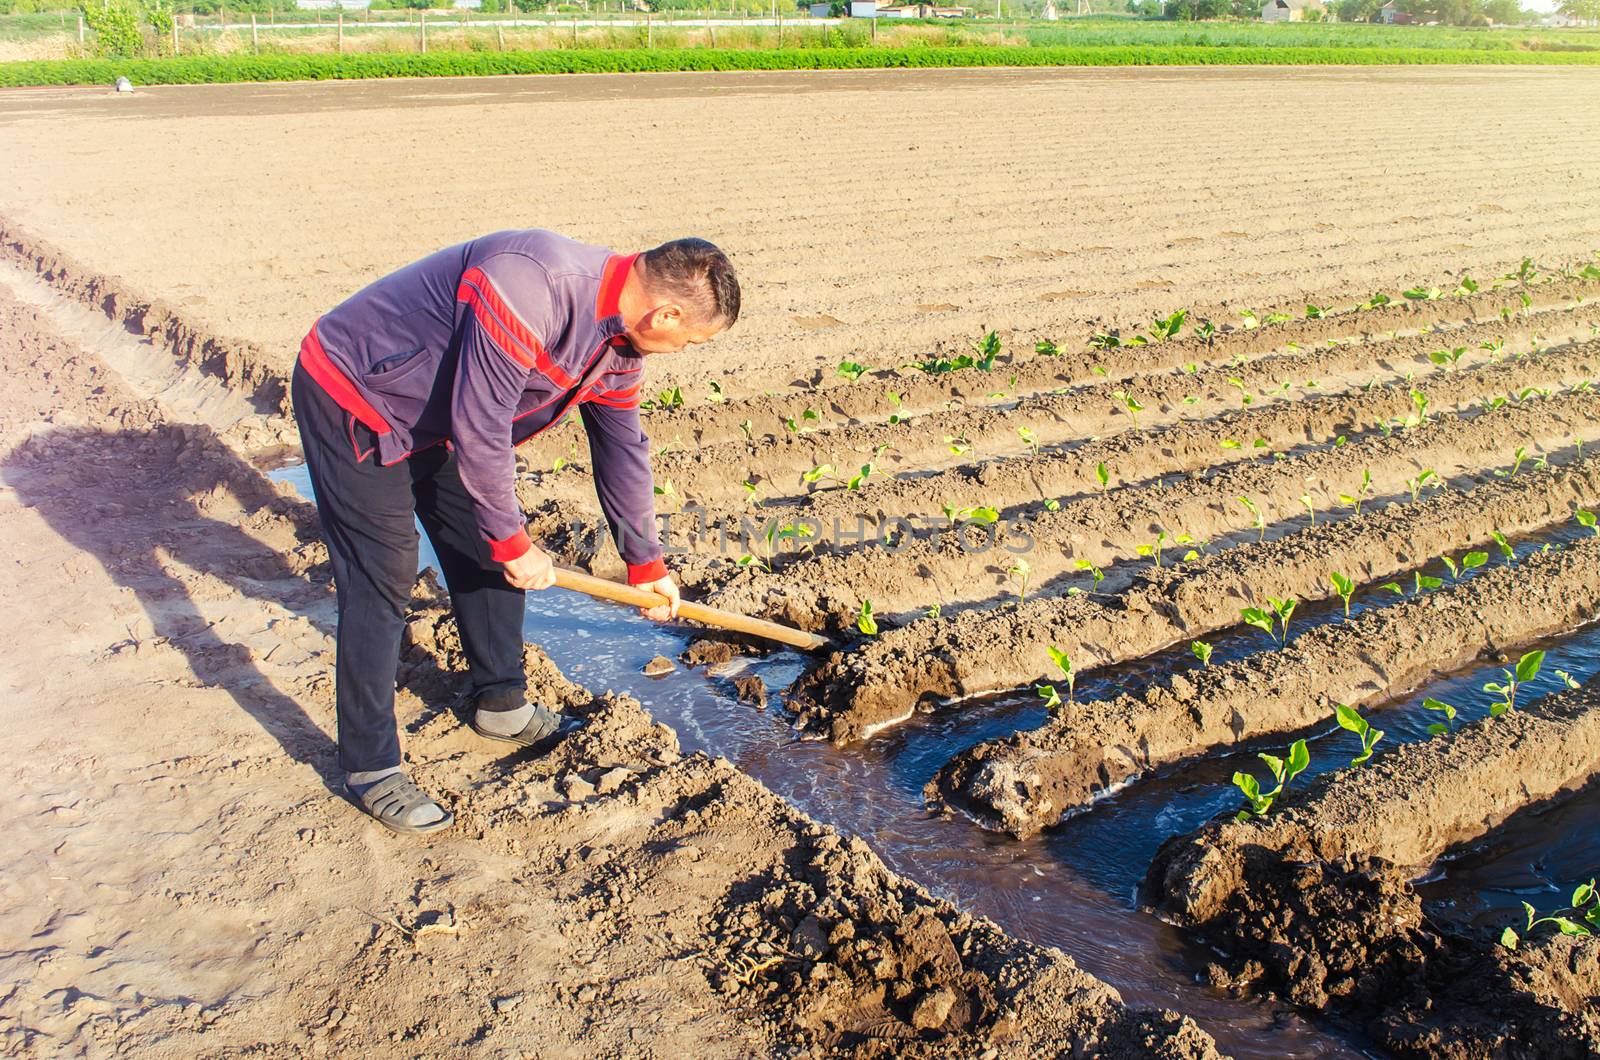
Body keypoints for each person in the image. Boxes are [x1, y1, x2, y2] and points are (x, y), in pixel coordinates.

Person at [291, 231, 739, 834]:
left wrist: (646, 561)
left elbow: (622, 450)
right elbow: (482, 425)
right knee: (384, 574)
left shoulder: (619, 347)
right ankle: (369, 766)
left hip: (438, 412)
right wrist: (512, 541)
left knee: (481, 546)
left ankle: (499, 704)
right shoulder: (533, 286)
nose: (683, 350)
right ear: (667, 313)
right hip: (357, 393)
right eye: (690, 341)